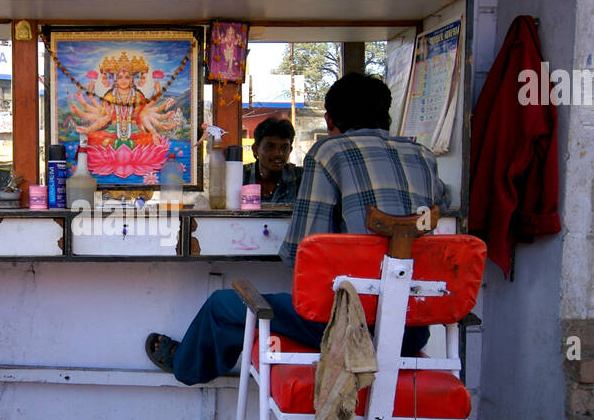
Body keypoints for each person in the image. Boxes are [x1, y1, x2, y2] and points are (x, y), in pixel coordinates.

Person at [146, 71, 449, 386]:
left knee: (223, 306)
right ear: (387, 115)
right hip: (412, 327)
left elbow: (302, 253)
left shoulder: (329, 153)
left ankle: (186, 366)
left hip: (346, 326)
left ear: (330, 120)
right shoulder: (423, 156)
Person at [244, 117, 301, 204]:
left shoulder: (299, 178)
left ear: (290, 150)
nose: (279, 153)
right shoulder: (240, 177)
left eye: (284, 147)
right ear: (255, 149)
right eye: (270, 146)